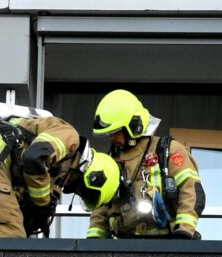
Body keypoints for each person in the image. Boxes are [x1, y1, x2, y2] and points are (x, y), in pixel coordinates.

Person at [0, 104, 120, 238]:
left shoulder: (59, 165)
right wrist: (42, 203)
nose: (68, 186)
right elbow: (34, 157)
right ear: (91, 173)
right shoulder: (69, 136)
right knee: (9, 244)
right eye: (80, 188)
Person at [86, 90, 205, 239]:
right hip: (121, 245)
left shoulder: (169, 151)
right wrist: (94, 241)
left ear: (134, 125)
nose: (112, 138)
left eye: (116, 132)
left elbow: (190, 190)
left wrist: (184, 232)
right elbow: (101, 206)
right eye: (109, 133)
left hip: (166, 242)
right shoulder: (111, 160)